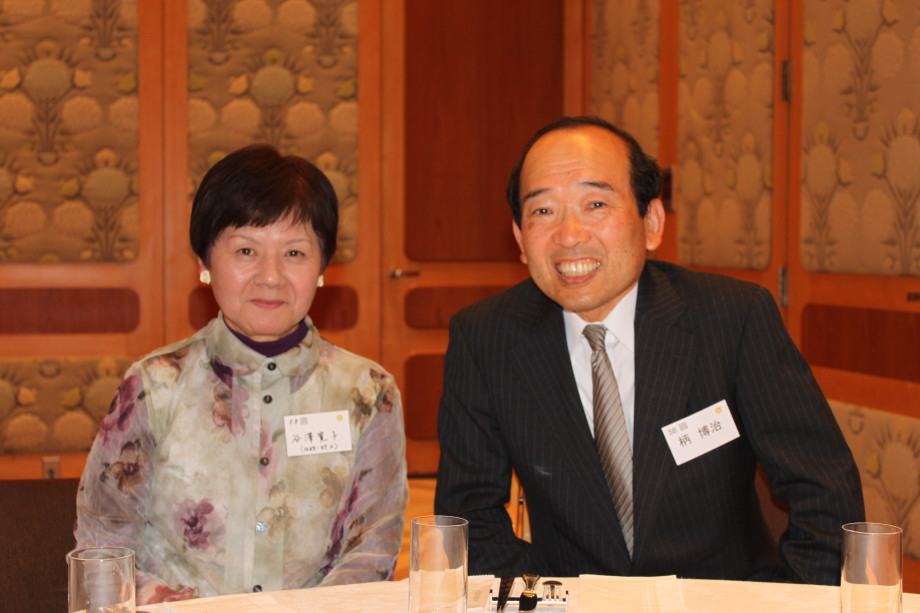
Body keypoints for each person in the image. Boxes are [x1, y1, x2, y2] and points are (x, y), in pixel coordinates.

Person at [434, 116, 864, 585]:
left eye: (596, 204)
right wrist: (550, 601)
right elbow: (468, 518)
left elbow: (825, 492)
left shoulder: (732, 319)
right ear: (520, 239)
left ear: (652, 222)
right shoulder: (486, 337)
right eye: (543, 211)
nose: (569, 234)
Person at [75, 144, 408, 604]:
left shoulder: (368, 393)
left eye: (294, 253)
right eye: (246, 250)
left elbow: (371, 552)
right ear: (205, 262)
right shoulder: (155, 385)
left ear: (322, 267)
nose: (270, 276)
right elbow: (102, 545)